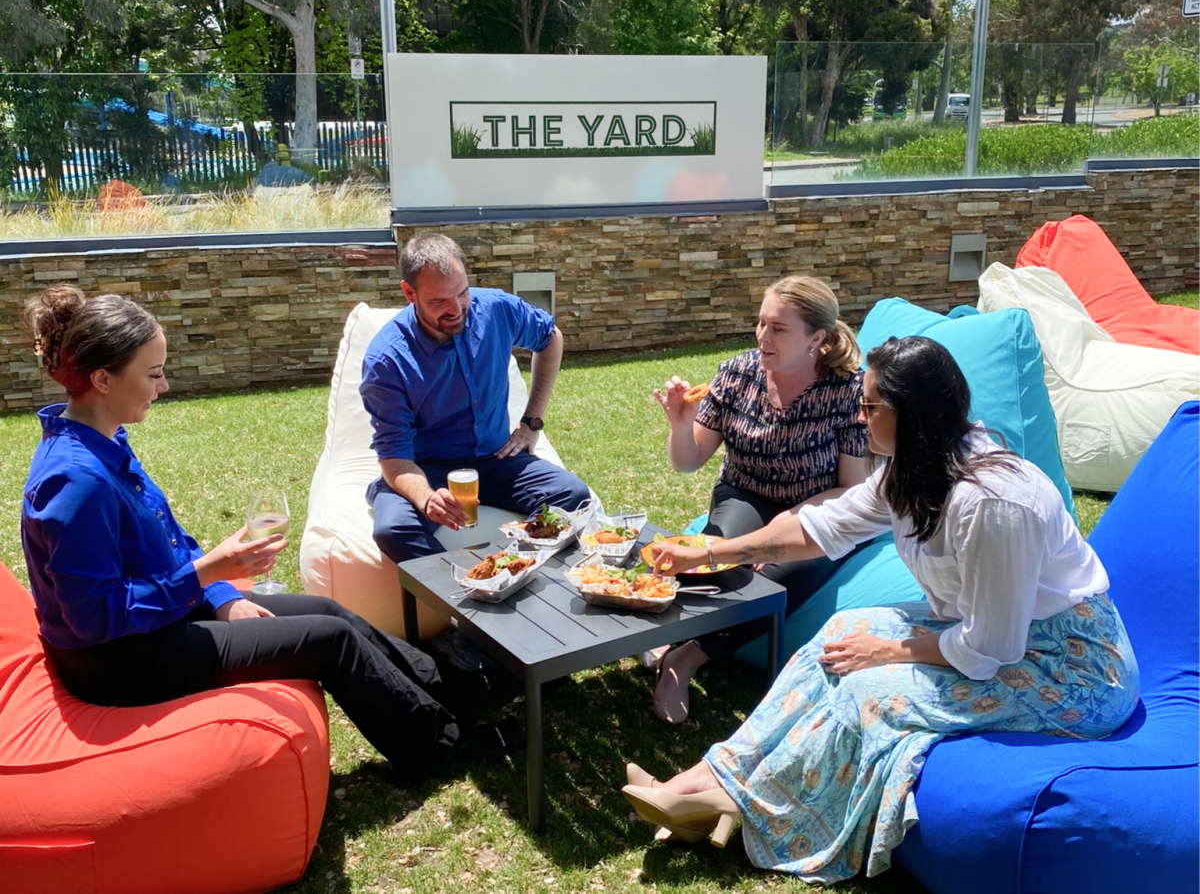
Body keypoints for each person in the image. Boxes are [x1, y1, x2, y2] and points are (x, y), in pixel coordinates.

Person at [623, 336, 1139, 883]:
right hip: (989, 629)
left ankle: (740, 806)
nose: (859, 416)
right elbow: (817, 529)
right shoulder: (912, 471)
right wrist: (706, 552)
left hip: (1071, 666)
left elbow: (992, 649)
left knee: (871, 691)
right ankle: (700, 780)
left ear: (912, 414)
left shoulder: (994, 504)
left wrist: (889, 651)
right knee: (839, 633)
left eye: (871, 407)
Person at [20, 286, 516, 781]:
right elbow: (92, 618)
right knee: (329, 639)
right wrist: (208, 574)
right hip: (122, 660)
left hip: (162, 619)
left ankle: (448, 691)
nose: (163, 386)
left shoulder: (105, 442)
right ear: (103, 379)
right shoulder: (75, 479)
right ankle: (438, 747)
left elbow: (169, 539)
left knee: (328, 610)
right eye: (153, 374)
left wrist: (218, 594)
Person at [647, 276, 869, 723]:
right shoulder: (736, 372)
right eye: (761, 323)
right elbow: (688, 462)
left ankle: (686, 658)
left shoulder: (847, 389)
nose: (762, 337)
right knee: (719, 556)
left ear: (817, 338)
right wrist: (679, 423)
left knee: (781, 576)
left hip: (817, 507)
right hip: (745, 491)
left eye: (779, 328)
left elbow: (851, 488)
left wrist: (781, 530)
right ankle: (663, 628)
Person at [361, 233, 591, 565]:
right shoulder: (386, 360)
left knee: (573, 496)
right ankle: (463, 594)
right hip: (427, 470)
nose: (456, 309)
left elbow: (550, 337)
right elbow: (393, 457)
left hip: (496, 459)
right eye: (438, 301)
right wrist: (427, 499)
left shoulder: (497, 308)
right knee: (393, 528)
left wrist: (531, 423)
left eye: (462, 293)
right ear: (409, 293)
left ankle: (518, 572)